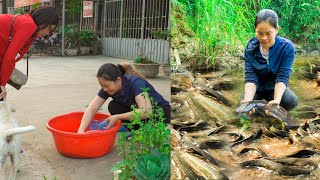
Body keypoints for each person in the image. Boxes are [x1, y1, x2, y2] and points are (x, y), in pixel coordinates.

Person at [77, 63, 170, 133]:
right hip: (141, 112)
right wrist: (80, 131)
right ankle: (136, 131)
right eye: (102, 86)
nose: (104, 89)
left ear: (118, 80)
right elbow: (92, 109)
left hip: (159, 113)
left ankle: (144, 131)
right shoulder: (107, 88)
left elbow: (146, 111)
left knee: (121, 112)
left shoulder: (136, 83)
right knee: (114, 106)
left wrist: (118, 117)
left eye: (107, 85)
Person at [240, 9, 298, 111]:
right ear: (255, 30)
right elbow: (250, 76)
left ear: (277, 30)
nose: (264, 38)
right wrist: (248, 101)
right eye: (260, 33)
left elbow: (282, 76)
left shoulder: (287, 47)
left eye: (268, 33)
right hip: (257, 87)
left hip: (274, 87)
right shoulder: (250, 48)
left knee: (291, 101)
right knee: (243, 109)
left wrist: (277, 100)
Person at [0, 6, 59, 100]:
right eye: (49, 28)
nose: (48, 33)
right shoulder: (29, 25)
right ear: (43, 21)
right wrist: (2, 83)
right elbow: (10, 57)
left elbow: (13, 56)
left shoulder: (31, 29)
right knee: (1, 95)